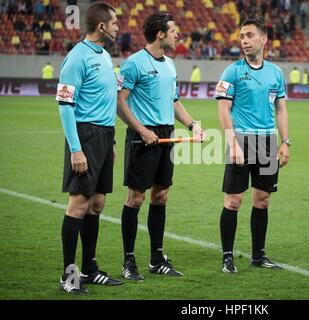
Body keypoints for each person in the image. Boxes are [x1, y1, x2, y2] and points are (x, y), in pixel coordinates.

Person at [117, 13, 205, 280]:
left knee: (160, 197)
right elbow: (119, 102)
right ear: (160, 34)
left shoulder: (169, 64)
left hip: (166, 135)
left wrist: (193, 124)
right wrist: (142, 131)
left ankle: (157, 258)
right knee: (136, 198)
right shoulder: (133, 64)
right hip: (142, 136)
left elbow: (174, 101)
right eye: (173, 30)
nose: (177, 34)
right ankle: (129, 261)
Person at [56, 1, 123, 295]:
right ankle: (69, 276)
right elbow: (65, 106)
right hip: (84, 136)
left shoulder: (105, 56)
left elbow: (107, 102)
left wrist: (112, 142)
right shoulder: (76, 58)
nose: (118, 27)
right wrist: (76, 149)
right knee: (78, 205)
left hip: (104, 137)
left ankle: (91, 269)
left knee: (97, 204)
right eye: (115, 23)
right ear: (101, 26)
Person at [215, 17, 290, 273]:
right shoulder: (233, 71)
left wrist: (285, 142)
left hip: (268, 142)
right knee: (233, 201)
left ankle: (258, 255)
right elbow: (223, 109)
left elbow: (281, 109)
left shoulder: (275, 73)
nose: (244, 40)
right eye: (241, 36)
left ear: (263, 38)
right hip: (242, 140)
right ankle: (227, 257)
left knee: (263, 200)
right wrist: (232, 143)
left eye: (249, 35)